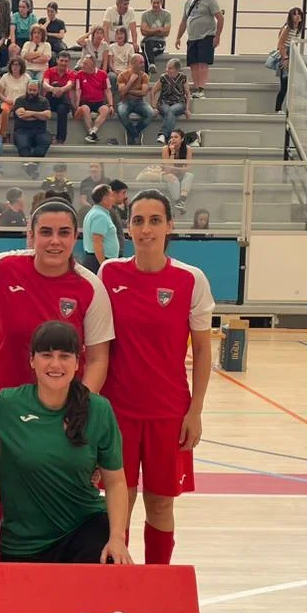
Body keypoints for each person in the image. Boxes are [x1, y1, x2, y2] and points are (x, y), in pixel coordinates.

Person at [99, 191, 214, 565]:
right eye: (138, 220)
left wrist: (195, 411)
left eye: (154, 220)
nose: (145, 229)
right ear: (128, 227)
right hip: (118, 413)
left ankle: (157, 581)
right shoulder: (110, 273)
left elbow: (202, 352)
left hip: (169, 413)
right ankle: (118, 581)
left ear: (169, 226)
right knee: (120, 502)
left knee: (161, 503)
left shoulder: (190, 279)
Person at [0, 321, 133, 564]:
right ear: (32, 360)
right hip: (23, 542)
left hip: (84, 528)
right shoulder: (6, 405)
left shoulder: (99, 409)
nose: (55, 364)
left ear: (77, 362)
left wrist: (117, 538)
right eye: (46, 355)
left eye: (64, 356)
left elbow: (116, 482)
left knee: (101, 576)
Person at [0, 200, 113, 400]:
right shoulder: (3, 267)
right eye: (46, 232)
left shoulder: (91, 287)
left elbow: (97, 359)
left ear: (75, 237)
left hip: (61, 404)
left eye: (64, 233)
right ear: (31, 236)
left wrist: (81, 404)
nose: (55, 240)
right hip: (1, 399)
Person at [175, 0, 225, 98]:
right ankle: (196, 87)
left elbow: (220, 18)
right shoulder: (188, 2)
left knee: (202, 62)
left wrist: (217, 36)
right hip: (192, 37)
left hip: (206, 36)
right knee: (193, 63)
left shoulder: (210, 1)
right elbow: (184, 21)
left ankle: (201, 88)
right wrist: (178, 37)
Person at [82, 183, 126, 270]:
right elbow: (97, 243)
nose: (113, 199)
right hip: (97, 262)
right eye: (111, 196)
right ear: (105, 199)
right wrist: (103, 266)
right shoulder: (99, 216)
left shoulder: (97, 212)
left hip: (97, 259)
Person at [11, 78, 52, 168]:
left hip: (40, 131)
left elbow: (48, 115)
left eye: (34, 90)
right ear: (26, 89)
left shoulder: (44, 101)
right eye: (30, 90)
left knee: (46, 140)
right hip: (22, 130)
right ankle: (30, 168)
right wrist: (39, 116)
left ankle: (33, 164)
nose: (31, 92)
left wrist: (31, 113)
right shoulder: (20, 100)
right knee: (23, 145)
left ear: (38, 90)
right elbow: (22, 115)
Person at [116, 53, 155, 145]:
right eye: (141, 62)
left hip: (139, 102)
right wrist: (131, 81)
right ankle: (136, 135)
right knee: (121, 112)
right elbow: (122, 93)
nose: (143, 65)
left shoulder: (144, 76)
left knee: (150, 113)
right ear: (133, 63)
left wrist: (128, 90)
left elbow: (144, 92)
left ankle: (132, 133)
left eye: (143, 62)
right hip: (125, 101)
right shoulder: (122, 75)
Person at [73, 54, 113, 143]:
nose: (83, 66)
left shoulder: (103, 74)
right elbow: (78, 91)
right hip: (85, 101)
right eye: (83, 63)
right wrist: (76, 106)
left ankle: (93, 132)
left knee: (105, 109)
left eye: (85, 64)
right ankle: (91, 131)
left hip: (99, 101)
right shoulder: (79, 74)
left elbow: (107, 90)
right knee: (85, 108)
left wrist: (111, 105)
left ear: (93, 65)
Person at [40, 51, 77, 146]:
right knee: (55, 85)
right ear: (57, 60)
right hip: (50, 100)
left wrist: (60, 90)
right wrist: (54, 89)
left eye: (66, 61)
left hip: (63, 103)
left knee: (62, 109)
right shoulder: (49, 71)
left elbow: (69, 85)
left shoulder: (71, 73)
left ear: (69, 62)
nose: (63, 63)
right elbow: (45, 84)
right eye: (61, 60)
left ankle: (60, 139)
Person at [155, 58, 192, 146]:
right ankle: (168, 139)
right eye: (167, 67)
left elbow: (187, 94)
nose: (167, 70)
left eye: (170, 68)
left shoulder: (183, 77)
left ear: (177, 69)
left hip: (179, 102)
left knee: (171, 110)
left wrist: (187, 109)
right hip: (164, 102)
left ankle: (163, 134)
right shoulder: (163, 77)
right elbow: (153, 91)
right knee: (169, 111)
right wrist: (154, 107)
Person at [275, 7, 306, 113]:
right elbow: (280, 44)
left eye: (299, 14)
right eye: (294, 14)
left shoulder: (297, 29)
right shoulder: (288, 28)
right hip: (285, 55)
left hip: (293, 55)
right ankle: (278, 109)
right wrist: (285, 58)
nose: (297, 16)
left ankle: (295, 104)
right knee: (284, 85)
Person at [139, 0, 172, 70]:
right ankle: (151, 65)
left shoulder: (166, 14)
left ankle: (151, 65)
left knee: (145, 54)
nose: (156, 5)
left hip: (159, 43)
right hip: (145, 42)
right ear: (151, 2)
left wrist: (149, 31)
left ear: (161, 3)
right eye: (154, 3)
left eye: (158, 3)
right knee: (147, 45)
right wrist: (158, 29)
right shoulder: (145, 15)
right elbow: (143, 32)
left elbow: (166, 32)